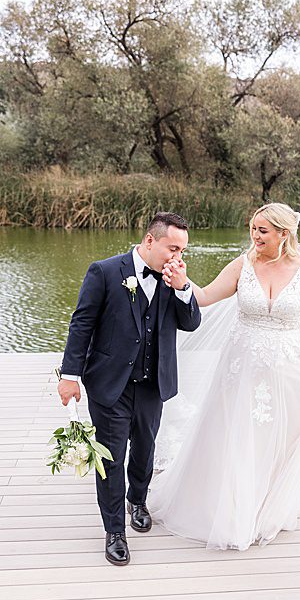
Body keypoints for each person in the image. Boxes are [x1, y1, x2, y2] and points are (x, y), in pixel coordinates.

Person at [147, 202, 300, 550]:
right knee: (237, 438)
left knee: (276, 442)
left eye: (263, 230)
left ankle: (264, 508)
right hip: (241, 370)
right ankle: (233, 512)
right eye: (253, 228)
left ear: (283, 233)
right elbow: (203, 298)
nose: (255, 235)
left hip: (292, 373)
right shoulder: (242, 266)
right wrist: (182, 283)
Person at [57, 212, 202, 566]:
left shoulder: (174, 279)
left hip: (154, 383)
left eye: (182, 250)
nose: (177, 257)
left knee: (145, 450)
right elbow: (82, 324)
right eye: (172, 248)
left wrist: (183, 288)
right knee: (110, 457)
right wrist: (69, 375)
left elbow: (192, 323)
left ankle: (138, 500)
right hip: (110, 384)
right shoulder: (104, 271)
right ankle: (115, 531)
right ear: (150, 241)